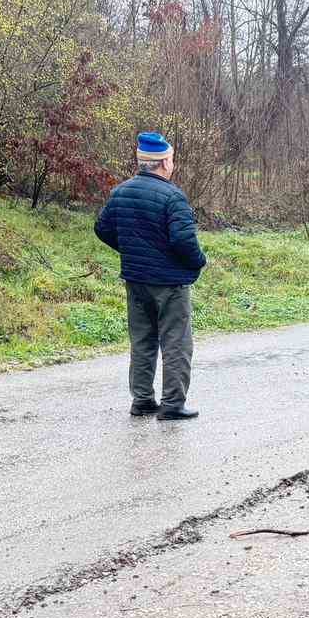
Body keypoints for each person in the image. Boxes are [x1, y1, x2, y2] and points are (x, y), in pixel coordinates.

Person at [94, 132, 207, 421]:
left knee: (142, 340)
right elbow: (184, 241)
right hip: (169, 283)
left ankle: (142, 401)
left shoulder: (121, 192)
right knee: (176, 342)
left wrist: (133, 249)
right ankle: (172, 405)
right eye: (171, 159)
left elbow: (102, 229)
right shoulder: (173, 196)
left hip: (136, 279)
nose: (173, 164)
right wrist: (198, 262)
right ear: (163, 162)